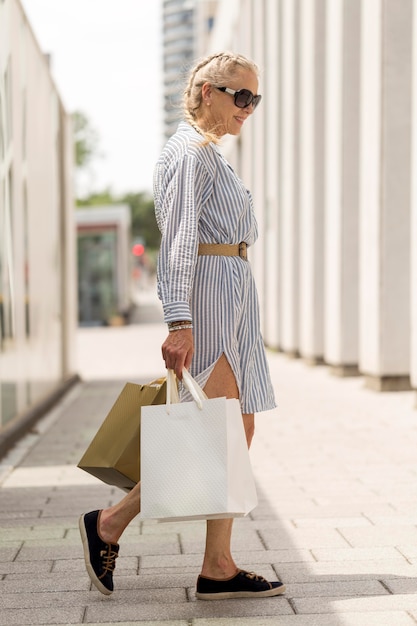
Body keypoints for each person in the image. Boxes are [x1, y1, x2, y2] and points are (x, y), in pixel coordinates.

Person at [79, 51, 286, 601]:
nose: (249, 107)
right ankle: (111, 523)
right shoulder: (190, 153)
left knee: (235, 430)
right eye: (240, 96)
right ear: (207, 93)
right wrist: (179, 319)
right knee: (208, 434)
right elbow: (177, 239)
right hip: (210, 300)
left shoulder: (212, 154)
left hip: (235, 297)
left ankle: (217, 564)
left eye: (254, 98)